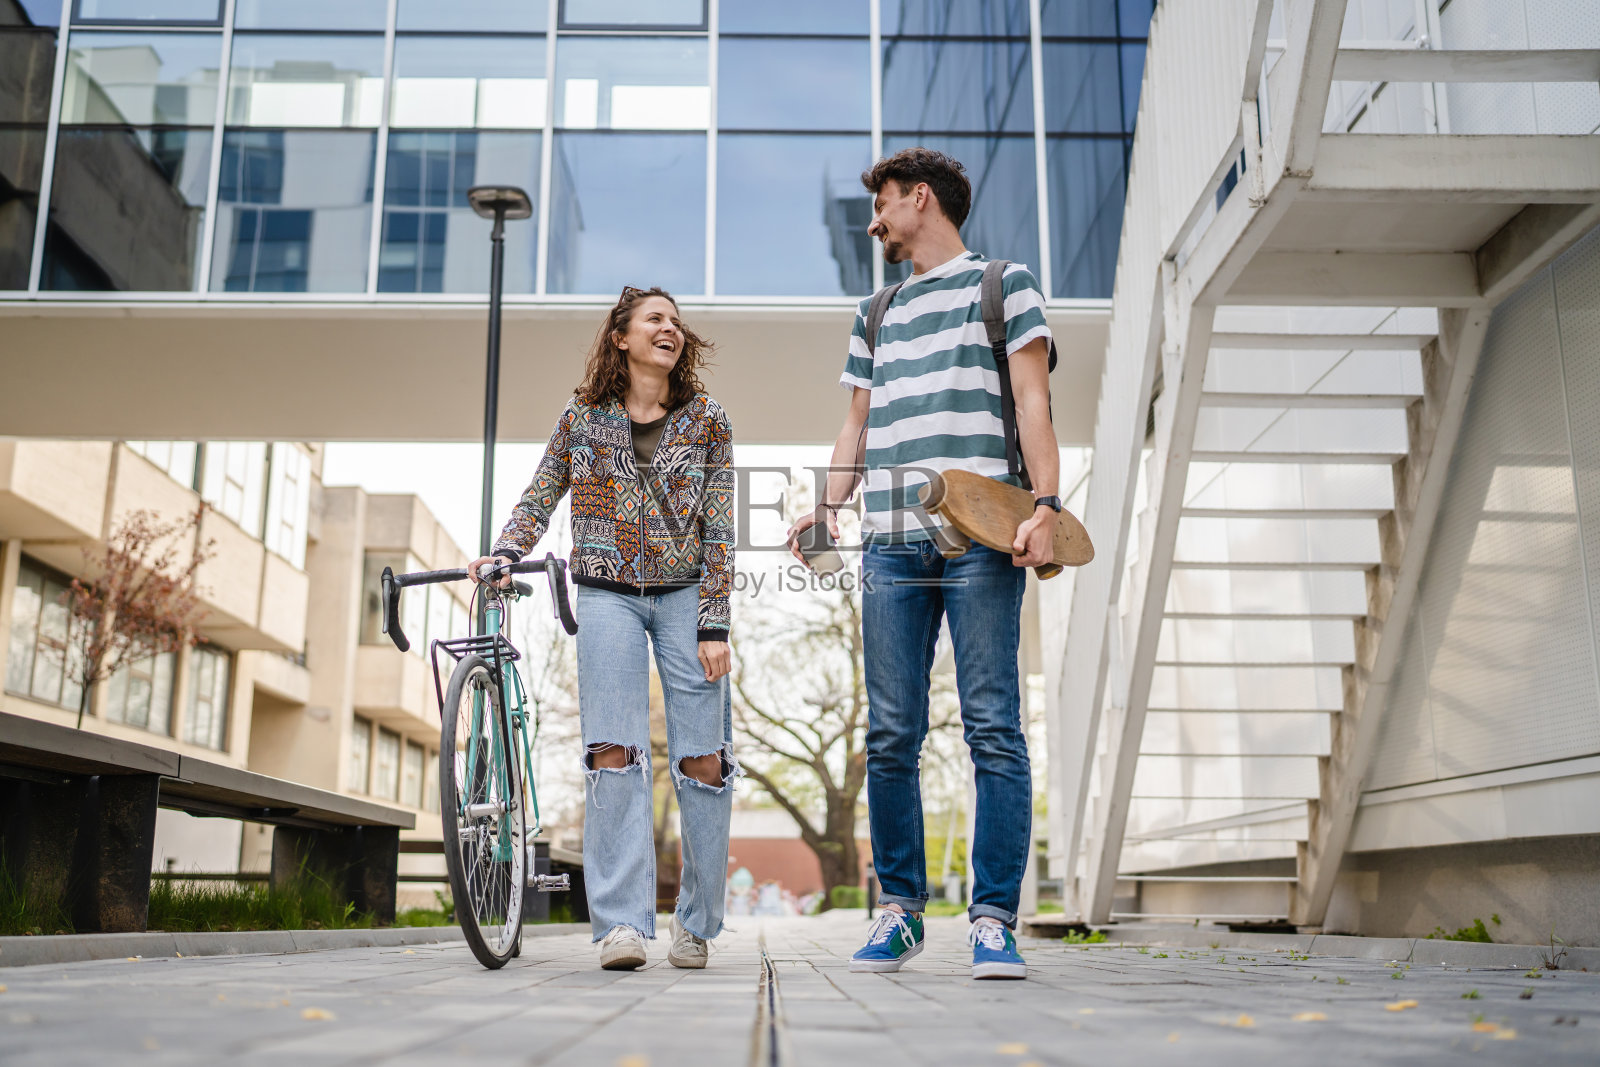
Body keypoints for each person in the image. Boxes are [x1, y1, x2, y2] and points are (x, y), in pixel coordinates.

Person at [787, 148, 1060, 981]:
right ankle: (900, 912)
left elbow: (1033, 400)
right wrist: (828, 503)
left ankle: (992, 921)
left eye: (882, 206)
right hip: (891, 541)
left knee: (993, 728)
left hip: (983, 536)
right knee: (892, 732)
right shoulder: (875, 311)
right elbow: (856, 426)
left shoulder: (1004, 285)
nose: (874, 222)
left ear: (921, 197)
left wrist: (1046, 505)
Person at [470, 285, 737, 972]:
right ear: (620, 337)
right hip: (607, 595)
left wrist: (715, 623)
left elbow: (720, 530)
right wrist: (505, 550)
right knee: (611, 752)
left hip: (685, 598)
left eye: (676, 321)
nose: (669, 328)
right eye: (655, 318)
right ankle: (620, 923)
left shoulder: (707, 420)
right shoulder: (583, 417)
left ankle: (697, 923)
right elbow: (540, 490)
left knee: (703, 761)